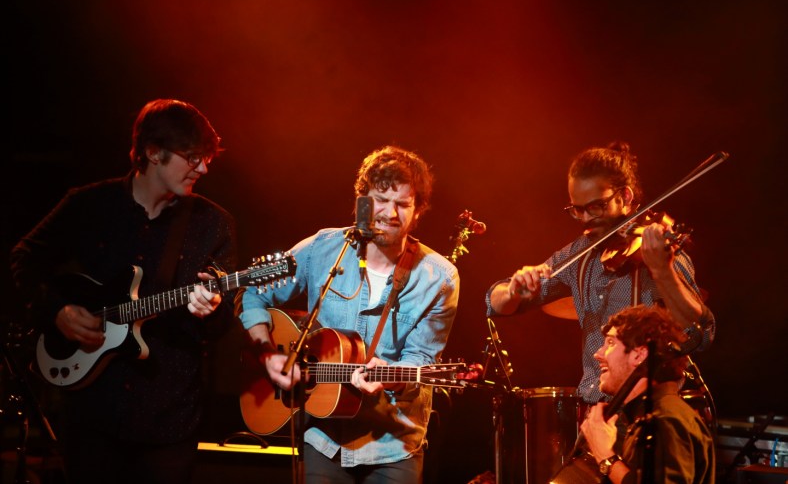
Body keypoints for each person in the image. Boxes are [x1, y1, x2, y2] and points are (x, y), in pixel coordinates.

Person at [10, 98, 238, 484]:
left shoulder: (214, 224)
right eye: (192, 157)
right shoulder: (89, 205)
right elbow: (23, 258)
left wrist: (212, 308)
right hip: (92, 411)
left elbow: (222, 321)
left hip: (170, 418)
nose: (203, 168)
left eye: (207, 159)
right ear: (153, 152)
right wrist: (58, 310)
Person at [236, 145, 460, 483]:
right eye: (380, 200)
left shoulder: (440, 278)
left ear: (418, 211)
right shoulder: (323, 248)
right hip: (323, 438)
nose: (390, 213)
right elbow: (252, 291)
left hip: (394, 442)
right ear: (362, 201)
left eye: (403, 204)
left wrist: (392, 376)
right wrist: (267, 354)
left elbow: (421, 358)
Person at [486, 142, 715, 405]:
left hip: (645, 411)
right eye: (577, 209)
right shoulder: (580, 255)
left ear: (625, 197)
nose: (585, 219)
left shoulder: (659, 251)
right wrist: (513, 290)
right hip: (593, 408)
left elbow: (701, 334)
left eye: (595, 207)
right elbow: (495, 303)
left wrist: (663, 271)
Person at [578, 304, 715, 484]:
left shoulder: (666, 419)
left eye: (610, 343)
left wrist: (606, 457)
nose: (598, 354)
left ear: (639, 355)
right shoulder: (649, 418)